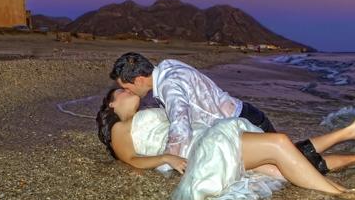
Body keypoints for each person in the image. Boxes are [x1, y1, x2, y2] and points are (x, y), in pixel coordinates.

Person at [96, 87, 355, 200]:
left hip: (206, 141)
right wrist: (166, 157)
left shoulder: (143, 115)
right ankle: (348, 194)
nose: (127, 90)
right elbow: (133, 159)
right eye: (120, 91)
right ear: (111, 105)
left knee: (284, 166)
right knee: (280, 144)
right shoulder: (120, 128)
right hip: (205, 150)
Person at [110, 52, 330, 175]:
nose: (129, 91)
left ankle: (338, 166)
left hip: (241, 123)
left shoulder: (168, 87)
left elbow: (180, 126)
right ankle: (349, 141)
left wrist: (169, 164)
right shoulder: (168, 65)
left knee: (290, 165)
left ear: (139, 80)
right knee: (284, 160)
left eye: (127, 87)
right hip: (245, 114)